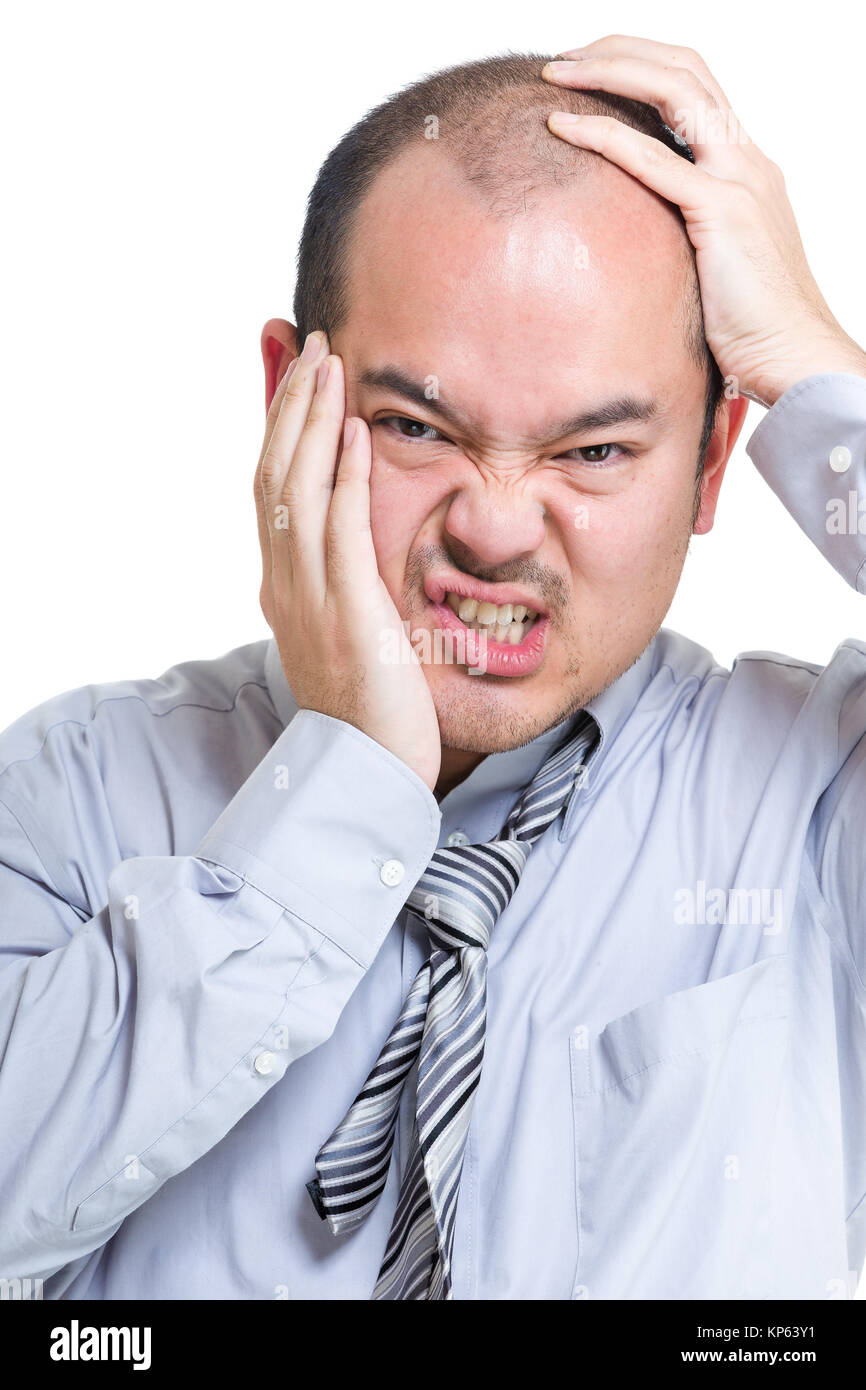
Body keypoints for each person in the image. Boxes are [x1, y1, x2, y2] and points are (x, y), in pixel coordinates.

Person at [1, 34, 865, 1301]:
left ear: (712, 460)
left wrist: (815, 371)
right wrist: (345, 787)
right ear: (288, 395)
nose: (496, 527)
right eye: (415, 426)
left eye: (596, 452)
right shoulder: (69, 802)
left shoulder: (814, 808)